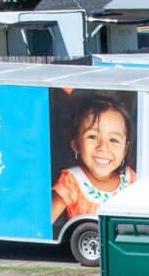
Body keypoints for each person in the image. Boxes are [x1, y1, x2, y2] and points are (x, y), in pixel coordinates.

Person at [51, 94, 134, 222]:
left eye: (113, 140)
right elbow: (43, 225)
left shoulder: (132, 179)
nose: (103, 147)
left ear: (125, 149)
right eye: (93, 137)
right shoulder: (71, 182)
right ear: (76, 144)